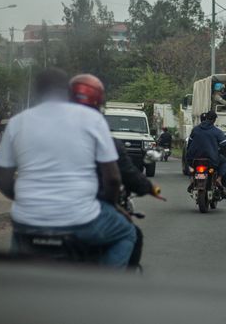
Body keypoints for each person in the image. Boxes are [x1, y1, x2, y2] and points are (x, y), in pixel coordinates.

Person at [0, 68, 136, 268]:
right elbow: (112, 179)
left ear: (36, 92)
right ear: (69, 92)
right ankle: (104, 286)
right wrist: (112, 206)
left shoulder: (17, 123)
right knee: (127, 232)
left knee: (17, 268)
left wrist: (31, 199)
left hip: (27, 222)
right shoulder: (92, 119)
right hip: (81, 220)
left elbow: (1, 180)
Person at [69, 73, 163, 268]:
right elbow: (118, 177)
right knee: (131, 233)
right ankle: (111, 284)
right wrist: (147, 188)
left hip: (32, 218)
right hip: (83, 210)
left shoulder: (46, 130)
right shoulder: (101, 137)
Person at [185, 110, 226, 198]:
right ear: (214, 120)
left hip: (195, 159)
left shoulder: (195, 129)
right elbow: (224, 144)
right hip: (211, 159)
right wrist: (224, 152)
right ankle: (219, 179)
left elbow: (189, 144)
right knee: (223, 161)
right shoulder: (217, 131)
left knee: (189, 165)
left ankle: (192, 179)